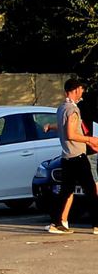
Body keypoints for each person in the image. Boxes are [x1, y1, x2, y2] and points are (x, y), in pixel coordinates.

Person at [49, 78, 98, 234]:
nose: (82, 92)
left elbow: (64, 129)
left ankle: (56, 223)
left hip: (67, 156)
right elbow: (71, 133)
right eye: (81, 89)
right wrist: (90, 139)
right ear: (76, 89)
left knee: (65, 191)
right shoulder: (73, 110)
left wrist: (50, 127)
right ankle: (96, 224)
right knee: (91, 190)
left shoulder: (61, 108)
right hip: (77, 156)